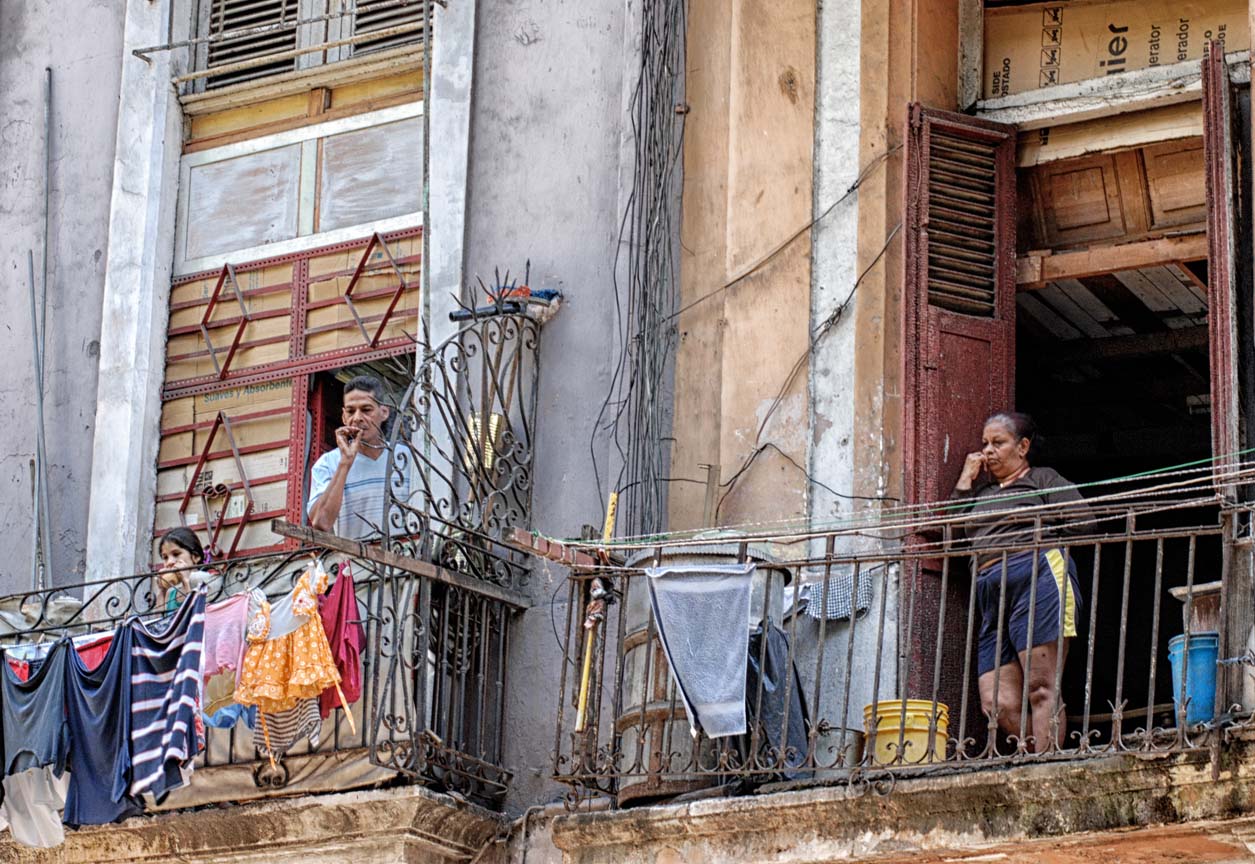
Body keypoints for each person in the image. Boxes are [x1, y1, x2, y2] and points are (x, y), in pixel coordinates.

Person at [949, 411, 1090, 753]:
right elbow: (951, 539)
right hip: (990, 590)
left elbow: (1084, 521)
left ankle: (1045, 767)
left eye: (999, 443)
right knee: (997, 704)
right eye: (985, 444)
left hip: (1038, 575)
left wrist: (1039, 533)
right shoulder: (980, 494)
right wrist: (965, 481)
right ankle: (1041, 756)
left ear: (1023, 446)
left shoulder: (1042, 479)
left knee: (1041, 687)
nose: (988, 451)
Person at [307, 375, 410, 541]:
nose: (357, 418)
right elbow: (321, 522)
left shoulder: (407, 458)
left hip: (406, 562)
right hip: (354, 564)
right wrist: (345, 463)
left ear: (384, 412)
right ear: (343, 417)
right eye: (350, 411)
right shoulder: (328, 463)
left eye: (366, 410)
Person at [155, 527, 217, 612]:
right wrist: (162, 590)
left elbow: (197, 617)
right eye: (165, 557)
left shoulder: (207, 582)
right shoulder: (171, 593)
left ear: (195, 557)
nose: (169, 562)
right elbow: (158, 622)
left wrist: (186, 581)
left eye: (176, 554)